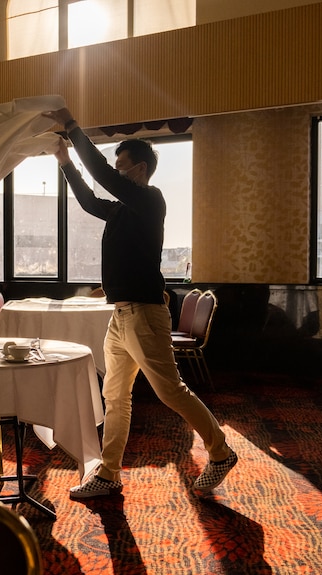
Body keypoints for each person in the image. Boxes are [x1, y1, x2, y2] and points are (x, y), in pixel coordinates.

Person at [43, 107, 237, 499]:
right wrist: (64, 162)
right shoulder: (119, 211)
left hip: (145, 314)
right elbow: (87, 199)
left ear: (141, 169)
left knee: (170, 391)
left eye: (124, 167)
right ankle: (109, 473)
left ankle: (219, 452)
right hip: (121, 317)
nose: (119, 173)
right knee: (114, 395)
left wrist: (73, 128)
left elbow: (101, 175)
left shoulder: (150, 201)